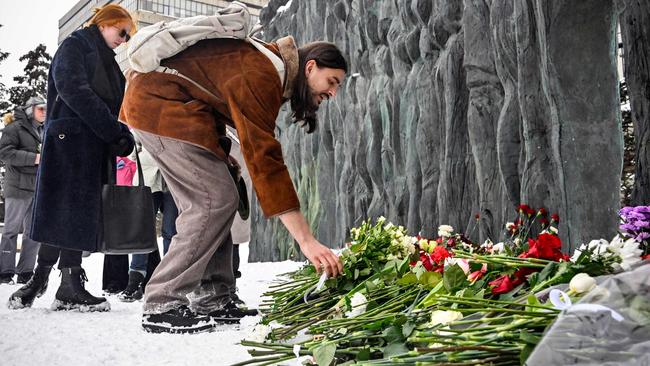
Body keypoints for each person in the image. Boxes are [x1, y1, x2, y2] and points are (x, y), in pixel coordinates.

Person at [121, 34, 347, 333]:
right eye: (332, 82)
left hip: (183, 112)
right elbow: (264, 158)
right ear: (310, 68)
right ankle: (162, 301)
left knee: (222, 193)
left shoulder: (271, 71)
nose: (333, 93)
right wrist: (306, 240)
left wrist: (221, 154)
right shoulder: (264, 72)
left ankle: (213, 295)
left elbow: (209, 97)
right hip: (159, 107)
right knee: (212, 200)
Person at [7, 4, 135, 311]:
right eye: (123, 32)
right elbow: (74, 89)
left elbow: (110, 103)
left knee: (70, 212)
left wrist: (118, 132)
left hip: (89, 145)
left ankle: (44, 280)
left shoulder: (106, 58)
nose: (125, 39)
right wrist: (112, 129)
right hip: (70, 144)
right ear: (106, 23)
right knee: (66, 211)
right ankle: (66, 283)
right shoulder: (76, 45)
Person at [118, 135, 179, 302]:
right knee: (142, 230)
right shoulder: (145, 113)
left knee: (171, 231)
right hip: (147, 176)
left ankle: (169, 279)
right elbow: (134, 142)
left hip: (173, 175)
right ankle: (135, 280)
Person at [0, 96, 46, 285]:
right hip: (17, 187)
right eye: (41, 109)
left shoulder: (45, 129)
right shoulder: (14, 128)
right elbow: (4, 153)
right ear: (30, 110)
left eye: (46, 108)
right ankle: (5, 272)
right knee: (11, 230)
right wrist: (34, 158)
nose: (45, 112)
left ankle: (26, 271)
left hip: (38, 187)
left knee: (33, 233)